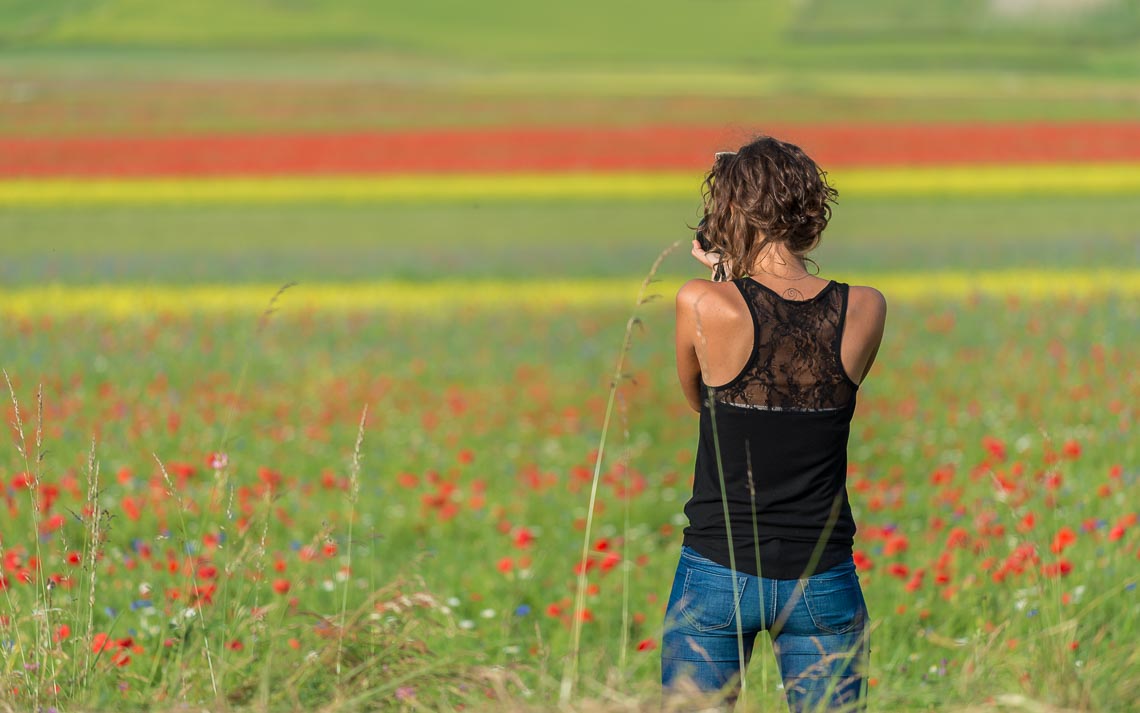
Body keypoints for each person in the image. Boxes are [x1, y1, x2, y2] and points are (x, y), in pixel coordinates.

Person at [661, 136, 887, 712]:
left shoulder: (701, 301)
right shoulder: (865, 307)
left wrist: (722, 278)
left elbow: (701, 399)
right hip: (823, 572)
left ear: (730, 212)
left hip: (717, 566)